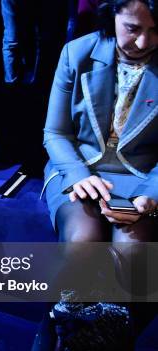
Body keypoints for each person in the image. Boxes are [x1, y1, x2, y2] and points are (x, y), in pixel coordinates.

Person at [42, 0, 158, 243]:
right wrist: (77, 175)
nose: (143, 43)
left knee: (133, 252)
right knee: (82, 243)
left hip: (145, 177)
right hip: (76, 166)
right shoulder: (76, 52)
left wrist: (152, 195)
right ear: (111, 14)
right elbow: (56, 133)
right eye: (133, 28)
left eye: (156, 30)